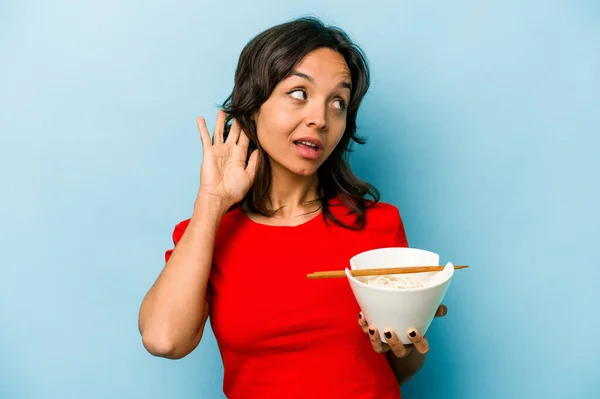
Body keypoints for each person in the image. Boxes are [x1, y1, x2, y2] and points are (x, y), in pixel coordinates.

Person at [138, 16, 447, 399]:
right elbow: (164, 340)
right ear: (253, 106)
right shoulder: (205, 234)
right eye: (299, 93)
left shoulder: (379, 227)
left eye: (338, 102)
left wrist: (405, 339)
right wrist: (212, 203)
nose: (320, 118)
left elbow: (398, 367)